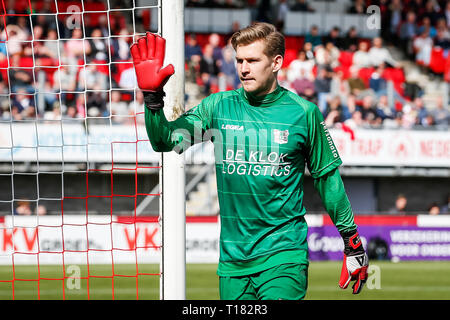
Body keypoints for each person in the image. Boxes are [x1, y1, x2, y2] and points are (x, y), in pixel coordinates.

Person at [130, 23, 368, 300]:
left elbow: (329, 182)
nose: (244, 68)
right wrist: (152, 100)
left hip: (283, 256)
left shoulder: (304, 114)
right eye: (240, 60)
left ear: (277, 62)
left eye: (253, 60)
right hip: (232, 262)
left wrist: (352, 244)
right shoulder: (217, 107)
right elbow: (166, 141)